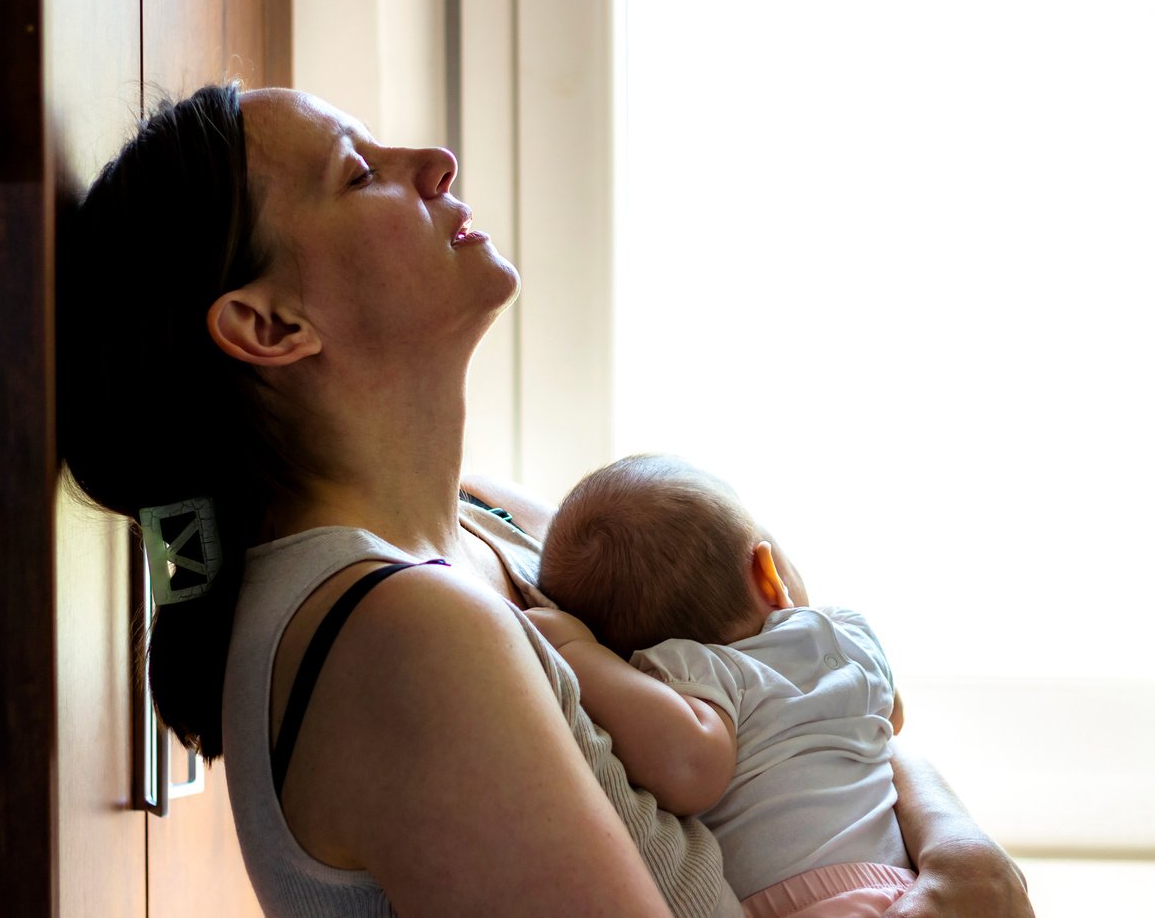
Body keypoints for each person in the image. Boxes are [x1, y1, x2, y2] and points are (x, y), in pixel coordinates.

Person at [56, 82, 1036, 918]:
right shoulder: (400, 630)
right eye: (358, 173)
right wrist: (964, 869)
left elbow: (810, 696)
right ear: (269, 325)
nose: (432, 160)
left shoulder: (497, 522)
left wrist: (963, 850)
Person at [528, 454, 915, 918]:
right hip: (900, 883)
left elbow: (690, 771)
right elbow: (891, 717)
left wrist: (573, 649)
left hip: (813, 902)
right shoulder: (845, 633)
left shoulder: (694, 674)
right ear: (768, 575)